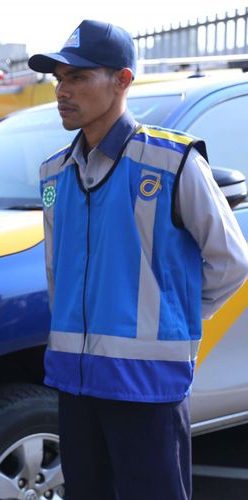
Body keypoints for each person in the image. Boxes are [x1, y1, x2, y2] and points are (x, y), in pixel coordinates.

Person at [29, 19, 248, 499]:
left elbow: (231, 262)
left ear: (123, 80)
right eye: (59, 79)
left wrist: (173, 316)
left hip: (145, 385)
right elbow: (56, 272)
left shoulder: (173, 163)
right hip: (75, 383)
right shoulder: (54, 174)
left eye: (78, 77)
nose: (63, 91)